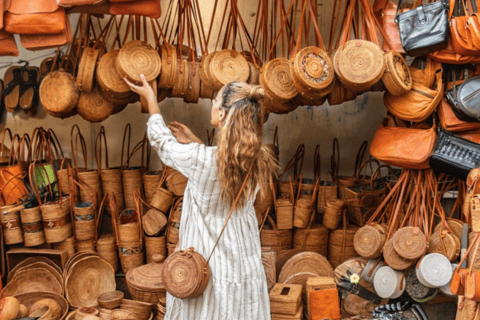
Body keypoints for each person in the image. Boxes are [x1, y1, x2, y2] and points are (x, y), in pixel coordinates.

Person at [124, 74, 278, 320]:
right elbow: (222, 165)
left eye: (215, 101)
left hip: (208, 260)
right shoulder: (257, 158)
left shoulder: (202, 160)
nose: (213, 105)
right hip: (242, 256)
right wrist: (195, 141)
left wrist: (151, 100)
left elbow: (161, 142)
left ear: (224, 115)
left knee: (208, 311)